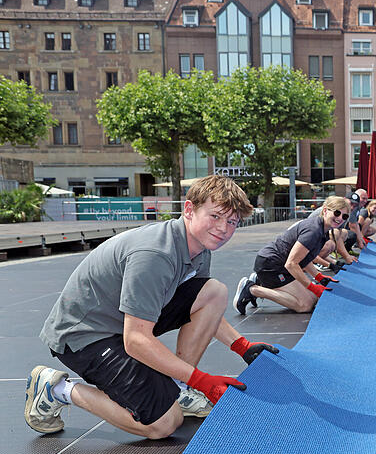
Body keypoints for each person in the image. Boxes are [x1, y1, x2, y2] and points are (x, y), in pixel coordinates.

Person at [27, 175, 277, 439]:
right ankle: (56, 390)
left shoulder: (199, 247)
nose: (223, 228)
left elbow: (203, 304)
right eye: (215, 216)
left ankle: (178, 389)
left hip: (122, 322)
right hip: (84, 335)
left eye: (232, 222)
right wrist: (202, 381)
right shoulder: (155, 255)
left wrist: (242, 346)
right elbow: (135, 339)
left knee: (214, 291)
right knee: (164, 424)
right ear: (189, 210)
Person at [234, 195, 349, 314]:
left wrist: (319, 277)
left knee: (314, 298)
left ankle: (260, 280)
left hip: (280, 265)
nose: (340, 218)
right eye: (336, 213)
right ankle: (252, 288)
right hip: (271, 265)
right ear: (325, 211)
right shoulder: (313, 231)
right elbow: (291, 264)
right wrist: (312, 286)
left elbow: (304, 258)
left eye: (344, 216)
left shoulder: (323, 230)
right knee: (305, 305)